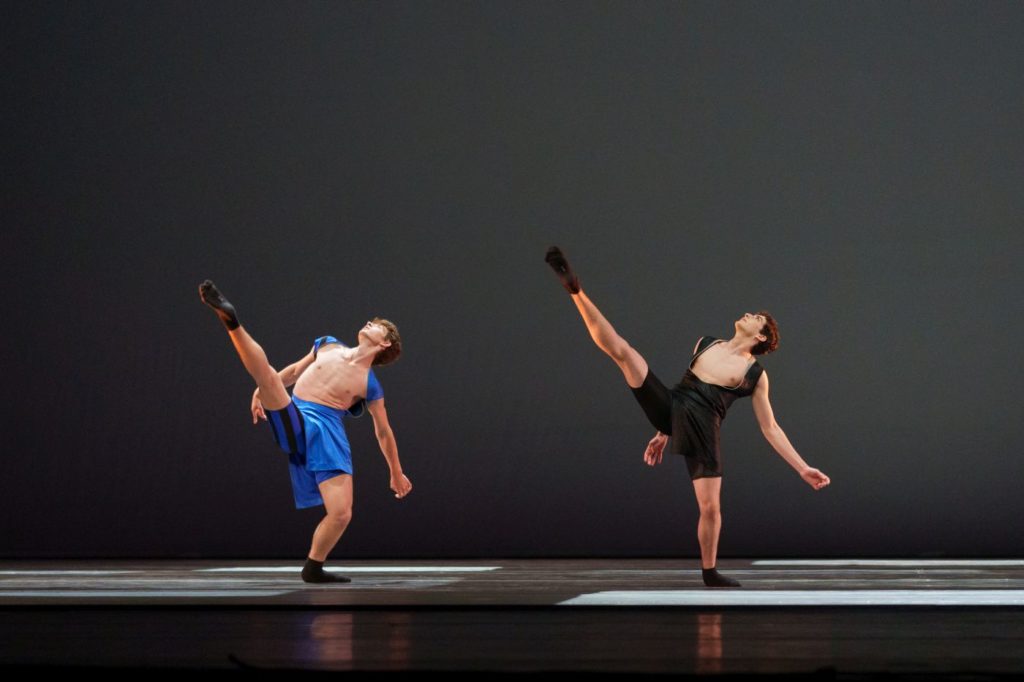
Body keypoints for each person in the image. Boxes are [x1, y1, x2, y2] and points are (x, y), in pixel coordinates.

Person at [545, 247, 829, 587]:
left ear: (761, 336)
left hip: (704, 431)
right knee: (624, 353)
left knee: (710, 509)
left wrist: (802, 467)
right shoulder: (706, 342)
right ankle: (576, 291)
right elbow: (683, 387)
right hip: (673, 406)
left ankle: (710, 572)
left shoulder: (755, 374)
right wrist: (663, 429)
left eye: (756, 317)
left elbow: (770, 428)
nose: (748, 314)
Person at [199, 280, 412, 583]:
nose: (368, 324)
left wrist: (396, 472)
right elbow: (295, 372)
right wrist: (262, 392)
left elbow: (383, 431)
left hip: (327, 433)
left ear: (385, 343)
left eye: (375, 326)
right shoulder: (327, 344)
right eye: (368, 321)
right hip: (297, 414)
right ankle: (232, 322)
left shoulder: (370, 384)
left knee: (341, 513)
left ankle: (313, 567)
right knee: (270, 377)